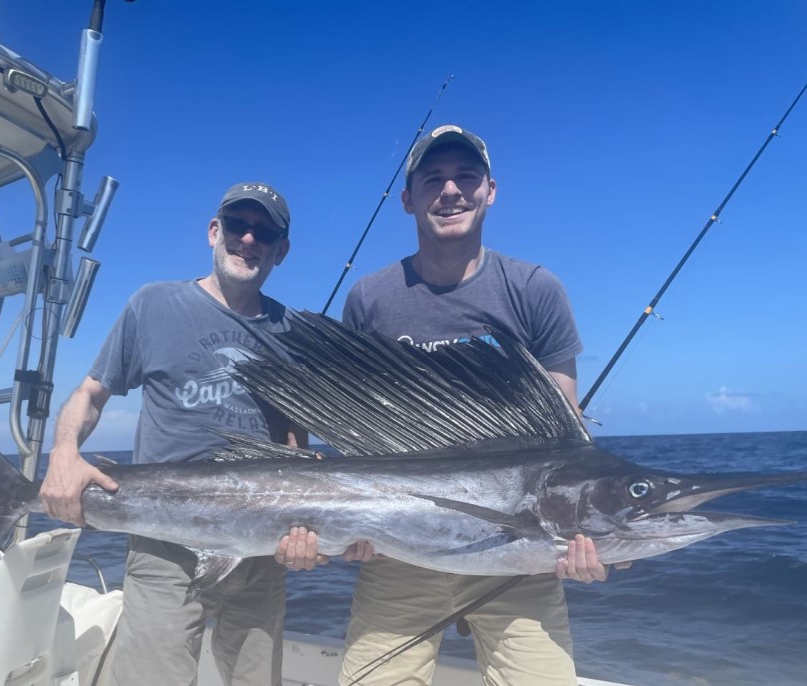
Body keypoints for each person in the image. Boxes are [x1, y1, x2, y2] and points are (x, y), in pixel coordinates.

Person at [336, 125, 620, 686]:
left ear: (491, 191)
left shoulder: (534, 289)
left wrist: (601, 534)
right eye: (433, 179)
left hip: (519, 559)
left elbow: (569, 443)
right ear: (407, 199)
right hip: (401, 553)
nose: (450, 190)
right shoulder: (370, 298)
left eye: (466, 177)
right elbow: (354, 433)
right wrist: (350, 523)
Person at [39, 181, 317, 686]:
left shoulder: (293, 332)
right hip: (164, 545)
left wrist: (307, 521)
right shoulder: (154, 303)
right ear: (214, 231)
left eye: (264, 232)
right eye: (237, 225)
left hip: (259, 548)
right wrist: (63, 452)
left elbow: (295, 436)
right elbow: (91, 393)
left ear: (281, 250)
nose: (248, 239)